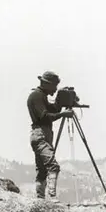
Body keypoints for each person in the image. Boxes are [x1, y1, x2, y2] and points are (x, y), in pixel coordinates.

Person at [27, 70, 75, 199]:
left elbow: (53, 109)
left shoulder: (40, 96)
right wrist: (62, 114)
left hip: (42, 134)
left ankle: (40, 199)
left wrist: (60, 99)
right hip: (41, 135)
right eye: (54, 86)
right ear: (47, 84)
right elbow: (45, 116)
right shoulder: (36, 96)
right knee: (53, 166)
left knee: (42, 170)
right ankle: (52, 197)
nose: (55, 89)